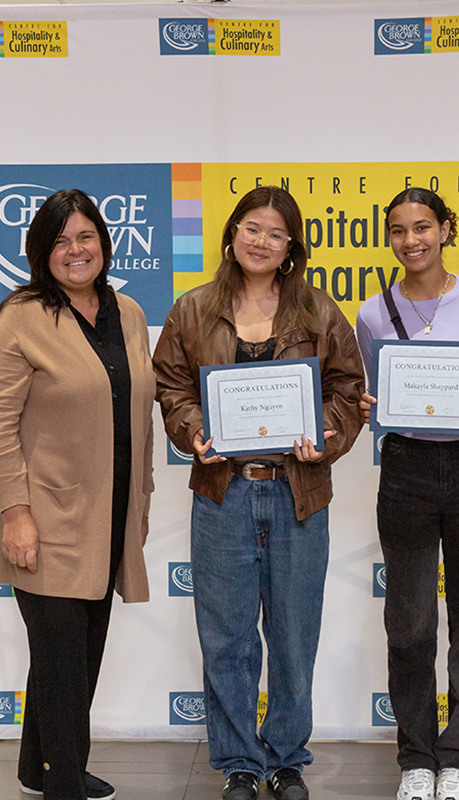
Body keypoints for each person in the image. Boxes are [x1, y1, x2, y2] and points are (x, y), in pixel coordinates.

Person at [153, 186, 366, 800]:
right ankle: (241, 762)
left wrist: (327, 436)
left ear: (291, 246)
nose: (261, 241)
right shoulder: (192, 309)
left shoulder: (321, 312)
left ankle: (287, 757)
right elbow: (171, 387)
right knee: (227, 636)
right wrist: (193, 430)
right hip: (223, 494)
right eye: (251, 228)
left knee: (295, 633)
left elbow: (348, 390)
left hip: (299, 493)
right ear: (231, 233)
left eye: (276, 233)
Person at [0, 189, 155, 800]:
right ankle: (63, 783)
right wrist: (16, 513)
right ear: (40, 253)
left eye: (85, 237)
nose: (75, 251)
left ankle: (42, 766)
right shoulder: (21, 317)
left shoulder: (127, 312)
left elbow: (137, 415)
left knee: (81, 653)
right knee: (60, 660)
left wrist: (141, 506)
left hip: (109, 512)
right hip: (46, 515)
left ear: (104, 242)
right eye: (60, 241)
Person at [356, 188, 459, 800]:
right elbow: (379, 393)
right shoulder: (373, 314)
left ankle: (458, 756)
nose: (410, 240)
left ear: (446, 229)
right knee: (410, 619)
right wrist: (373, 404)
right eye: (398, 230)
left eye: (423, 227)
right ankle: (417, 758)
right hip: (407, 468)